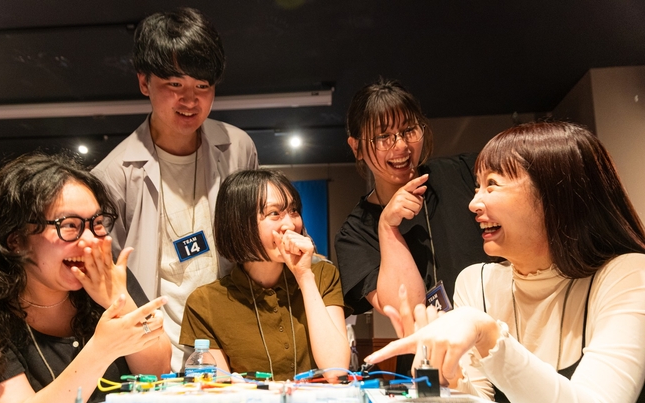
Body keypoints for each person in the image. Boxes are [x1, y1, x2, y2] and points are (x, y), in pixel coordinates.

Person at [366, 121, 645, 403]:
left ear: (555, 194)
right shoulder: (477, 282)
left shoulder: (628, 275)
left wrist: (489, 334)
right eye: (477, 186)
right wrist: (442, 380)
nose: (474, 204)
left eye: (492, 185)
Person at [0, 153, 171, 403]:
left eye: (96, 223)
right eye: (70, 226)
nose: (90, 241)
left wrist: (119, 302)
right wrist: (101, 349)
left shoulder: (106, 274)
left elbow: (159, 372)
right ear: (16, 240)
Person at [91, 7, 258, 371]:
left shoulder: (238, 149)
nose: (190, 100)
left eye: (203, 86)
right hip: (155, 354)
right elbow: (111, 283)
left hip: (232, 350)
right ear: (144, 82)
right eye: (175, 85)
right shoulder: (112, 175)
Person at [334, 79, 488, 369]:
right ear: (357, 147)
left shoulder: (465, 174)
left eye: (408, 130)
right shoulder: (354, 233)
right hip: (427, 362)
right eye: (383, 137)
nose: (401, 146)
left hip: (492, 348)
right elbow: (405, 311)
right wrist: (386, 227)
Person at [179, 170, 350, 381]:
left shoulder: (323, 275)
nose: (291, 225)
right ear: (240, 224)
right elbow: (218, 389)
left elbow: (336, 371)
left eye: (294, 211)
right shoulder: (204, 302)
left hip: (318, 402)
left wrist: (304, 276)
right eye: (274, 213)